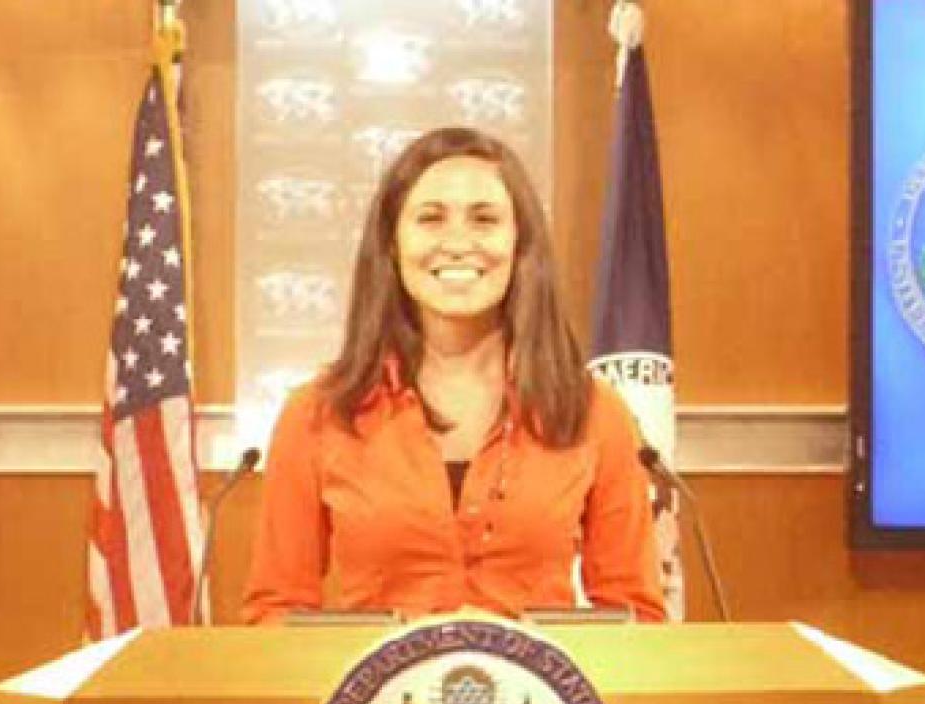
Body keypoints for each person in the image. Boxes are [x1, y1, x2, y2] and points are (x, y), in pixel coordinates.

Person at [242, 126, 665, 624]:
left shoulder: (594, 412)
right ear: (393, 246)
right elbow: (273, 613)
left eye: (484, 220)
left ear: (520, 245)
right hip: (375, 702)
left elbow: (636, 617)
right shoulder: (317, 414)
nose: (458, 243)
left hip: (542, 701)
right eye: (431, 219)